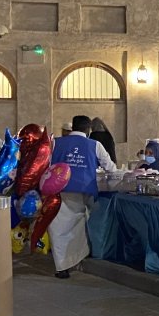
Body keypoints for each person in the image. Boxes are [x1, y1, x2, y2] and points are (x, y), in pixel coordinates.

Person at [47, 115, 117, 278]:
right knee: (80, 223)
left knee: (59, 227)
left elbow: (46, 165)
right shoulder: (95, 145)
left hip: (59, 190)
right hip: (85, 190)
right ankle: (76, 259)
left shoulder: (55, 143)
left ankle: (61, 266)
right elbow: (111, 168)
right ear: (88, 129)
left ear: (73, 127)